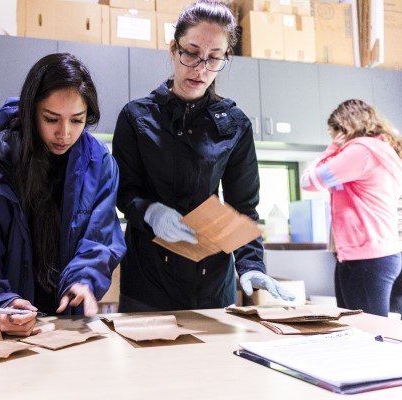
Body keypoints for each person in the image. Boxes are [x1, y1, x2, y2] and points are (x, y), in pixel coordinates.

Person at [111, 0, 294, 312]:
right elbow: (125, 192)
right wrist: (152, 212)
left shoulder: (235, 123)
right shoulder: (136, 117)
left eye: (213, 58)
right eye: (191, 53)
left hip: (210, 283)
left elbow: (243, 207)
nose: (200, 68)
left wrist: (251, 265)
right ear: (173, 49)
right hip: (148, 281)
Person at [0, 53, 126, 336]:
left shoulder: (99, 164)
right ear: (31, 112)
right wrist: (1, 303)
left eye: (77, 120)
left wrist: (83, 279)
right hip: (6, 325)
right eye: (51, 119)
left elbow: (99, 238)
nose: (64, 133)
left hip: (67, 326)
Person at [301, 99, 402, 317]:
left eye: (333, 133)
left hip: (366, 257)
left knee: (365, 332)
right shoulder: (382, 148)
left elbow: (308, 181)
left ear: (344, 129)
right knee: (365, 329)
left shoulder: (360, 151)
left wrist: (332, 148)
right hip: (377, 254)